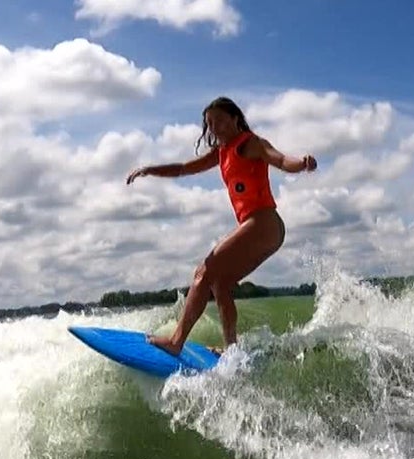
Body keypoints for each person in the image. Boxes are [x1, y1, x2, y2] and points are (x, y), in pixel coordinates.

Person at [126, 96, 317, 355]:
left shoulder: (249, 144)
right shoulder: (221, 152)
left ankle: (176, 341)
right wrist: (149, 169)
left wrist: (302, 164)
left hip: (264, 222)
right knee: (220, 284)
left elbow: (281, 160)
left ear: (235, 118)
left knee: (204, 271)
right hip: (262, 229)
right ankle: (231, 350)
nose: (214, 127)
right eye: (209, 123)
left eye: (218, 120)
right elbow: (184, 168)